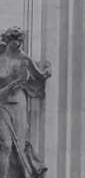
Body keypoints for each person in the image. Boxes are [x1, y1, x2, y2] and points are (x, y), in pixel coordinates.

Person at [0, 26, 50, 178]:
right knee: (6, 144)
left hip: (19, 104)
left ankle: (25, 172)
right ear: (8, 40)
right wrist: (10, 86)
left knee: (20, 145)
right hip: (2, 105)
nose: (19, 44)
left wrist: (46, 70)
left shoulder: (24, 59)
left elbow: (39, 75)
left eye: (21, 41)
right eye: (16, 40)